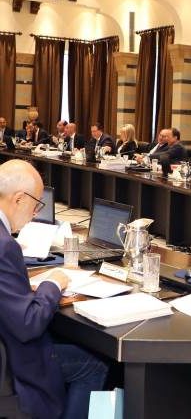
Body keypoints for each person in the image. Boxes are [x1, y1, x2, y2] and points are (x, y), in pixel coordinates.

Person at [0, 159, 108, 418]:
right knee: (95, 365)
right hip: (15, 362)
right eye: (36, 204)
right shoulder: (5, 246)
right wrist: (53, 284)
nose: (35, 213)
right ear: (18, 199)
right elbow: (28, 323)